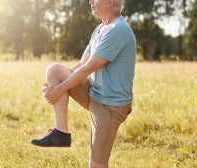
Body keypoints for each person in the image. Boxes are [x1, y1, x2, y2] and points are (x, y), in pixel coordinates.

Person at [31, 0, 136, 167]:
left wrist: (57, 90)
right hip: (95, 95)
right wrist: (56, 85)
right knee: (55, 71)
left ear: (109, 1)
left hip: (111, 106)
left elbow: (88, 68)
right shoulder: (99, 29)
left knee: (96, 165)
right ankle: (61, 132)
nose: (90, 1)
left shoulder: (118, 30)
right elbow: (81, 65)